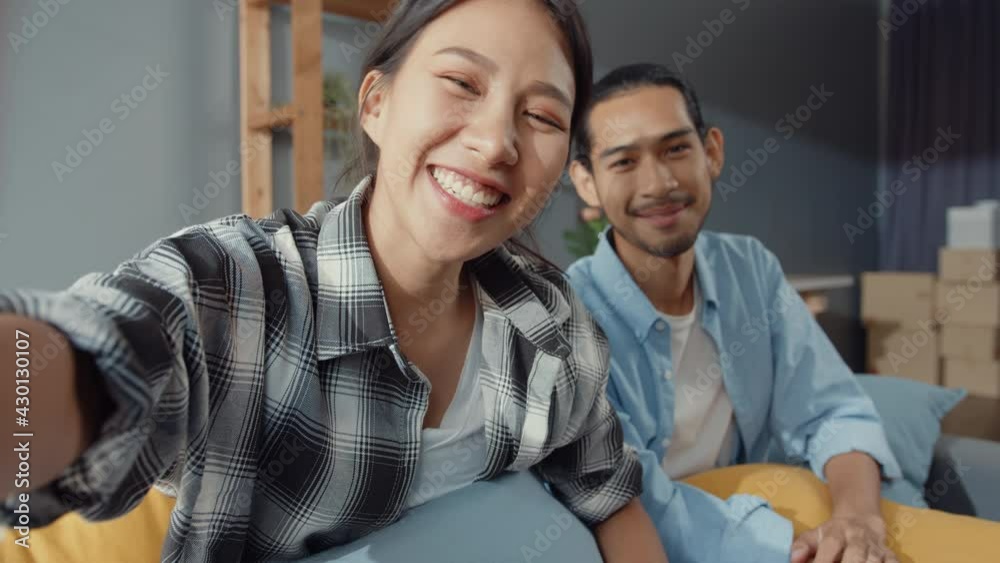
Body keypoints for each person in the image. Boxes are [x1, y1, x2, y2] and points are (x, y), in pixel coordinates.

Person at [0, 3, 671, 562]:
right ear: (376, 104)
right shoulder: (233, 291)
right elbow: (97, 360)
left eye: (544, 117)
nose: (498, 141)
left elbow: (610, 496)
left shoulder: (553, 320)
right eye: (463, 83)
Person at [565, 63, 904, 563]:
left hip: (773, 508)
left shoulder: (751, 269)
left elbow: (832, 411)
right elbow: (634, 502)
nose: (659, 183)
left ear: (713, 153)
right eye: (623, 162)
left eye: (676, 149)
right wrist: (791, 550)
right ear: (587, 183)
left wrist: (856, 521)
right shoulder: (569, 317)